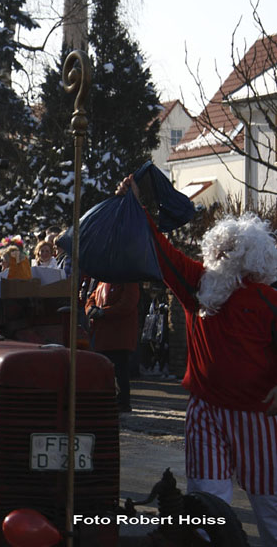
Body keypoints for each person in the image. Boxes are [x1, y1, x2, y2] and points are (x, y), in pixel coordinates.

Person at [117, 174, 277, 544]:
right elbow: (160, 251)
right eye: (217, 250)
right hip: (205, 412)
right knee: (206, 503)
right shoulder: (199, 286)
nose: (217, 258)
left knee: (270, 506)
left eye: (226, 252)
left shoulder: (269, 301)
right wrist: (136, 206)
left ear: (247, 259)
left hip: (259, 416)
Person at [85, 281, 139, 413]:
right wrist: (91, 308)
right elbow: (92, 297)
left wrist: (104, 312)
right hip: (103, 335)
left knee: (120, 371)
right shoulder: (103, 281)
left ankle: (122, 403)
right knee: (105, 371)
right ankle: (107, 400)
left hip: (119, 335)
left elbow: (127, 305)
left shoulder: (129, 282)